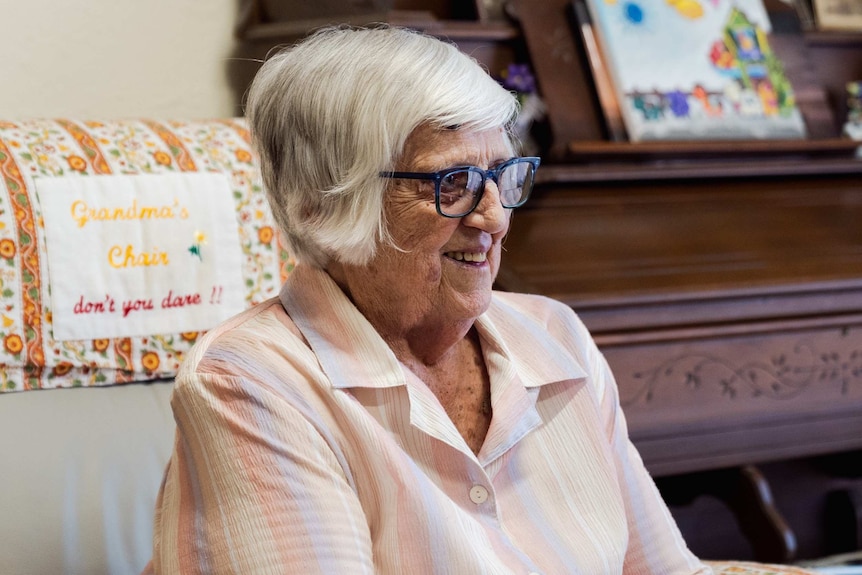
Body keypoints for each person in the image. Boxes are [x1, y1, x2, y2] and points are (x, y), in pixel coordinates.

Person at [146, 25, 712, 574]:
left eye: (501, 175)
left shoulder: (553, 335)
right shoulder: (251, 383)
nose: (493, 217)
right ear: (323, 203)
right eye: (452, 182)